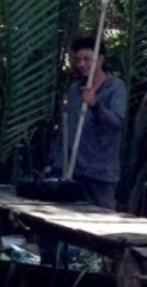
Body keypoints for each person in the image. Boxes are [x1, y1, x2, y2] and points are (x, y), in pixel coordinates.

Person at [47, 35, 126, 210]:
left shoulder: (115, 87)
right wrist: (55, 164)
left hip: (100, 174)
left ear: (101, 60)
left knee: (101, 226)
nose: (82, 64)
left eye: (87, 59)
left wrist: (96, 105)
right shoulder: (75, 89)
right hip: (72, 171)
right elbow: (66, 129)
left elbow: (116, 121)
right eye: (78, 60)